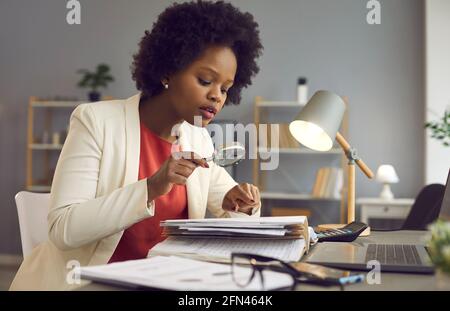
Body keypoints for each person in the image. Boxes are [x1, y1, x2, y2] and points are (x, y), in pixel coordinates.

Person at [10, 0, 263, 290]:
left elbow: (231, 216)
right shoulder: (96, 121)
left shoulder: (198, 138)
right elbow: (63, 229)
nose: (217, 96)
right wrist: (151, 188)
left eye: (225, 89)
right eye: (206, 80)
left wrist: (242, 205)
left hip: (165, 284)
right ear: (168, 70)